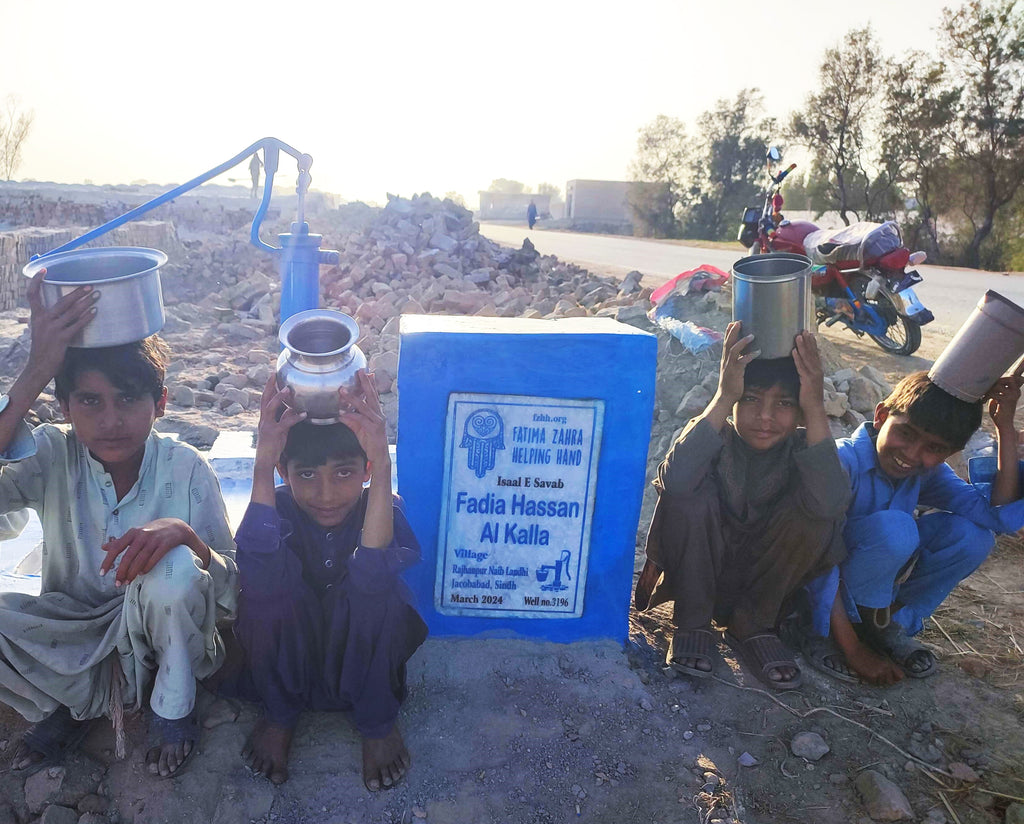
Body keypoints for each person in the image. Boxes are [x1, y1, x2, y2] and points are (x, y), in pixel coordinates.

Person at [0, 270, 238, 778]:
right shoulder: (48, 455)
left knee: (172, 570)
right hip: (74, 638)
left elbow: (231, 591)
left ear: (162, 403)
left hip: (161, 644)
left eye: (129, 399)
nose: (111, 420)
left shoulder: (187, 468)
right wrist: (35, 370)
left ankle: (172, 710)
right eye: (90, 401)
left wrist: (186, 536)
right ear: (63, 407)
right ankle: (66, 707)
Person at [218, 372, 427, 788]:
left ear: (367, 470)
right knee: (261, 594)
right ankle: (280, 715)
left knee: (378, 595)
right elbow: (257, 577)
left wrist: (383, 462)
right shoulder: (274, 508)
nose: (327, 494)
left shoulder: (383, 510)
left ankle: (376, 721)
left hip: (361, 661)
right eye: (308, 475)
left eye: (345, 473)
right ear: (284, 472)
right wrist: (262, 460)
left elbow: (371, 576)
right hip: (291, 658)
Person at [634, 323, 849, 690]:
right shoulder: (713, 433)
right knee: (687, 496)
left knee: (816, 514)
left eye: (784, 404)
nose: (765, 416)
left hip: (763, 591)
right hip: (699, 580)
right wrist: (723, 395)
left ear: (798, 413)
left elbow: (830, 505)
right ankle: (693, 624)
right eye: (750, 399)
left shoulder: (802, 450)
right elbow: (677, 480)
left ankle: (752, 626)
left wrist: (814, 404)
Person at [803, 371, 1023, 685]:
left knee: (974, 537)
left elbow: (997, 514)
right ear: (880, 416)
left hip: (865, 590)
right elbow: (816, 556)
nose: (911, 454)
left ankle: (887, 623)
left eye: (934, 448)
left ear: (949, 454)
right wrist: (852, 649)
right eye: (906, 434)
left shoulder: (924, 473)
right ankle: (823, 632)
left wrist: (1004, 430)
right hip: (812, 588)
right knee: (897, 528)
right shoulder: (842, 461)